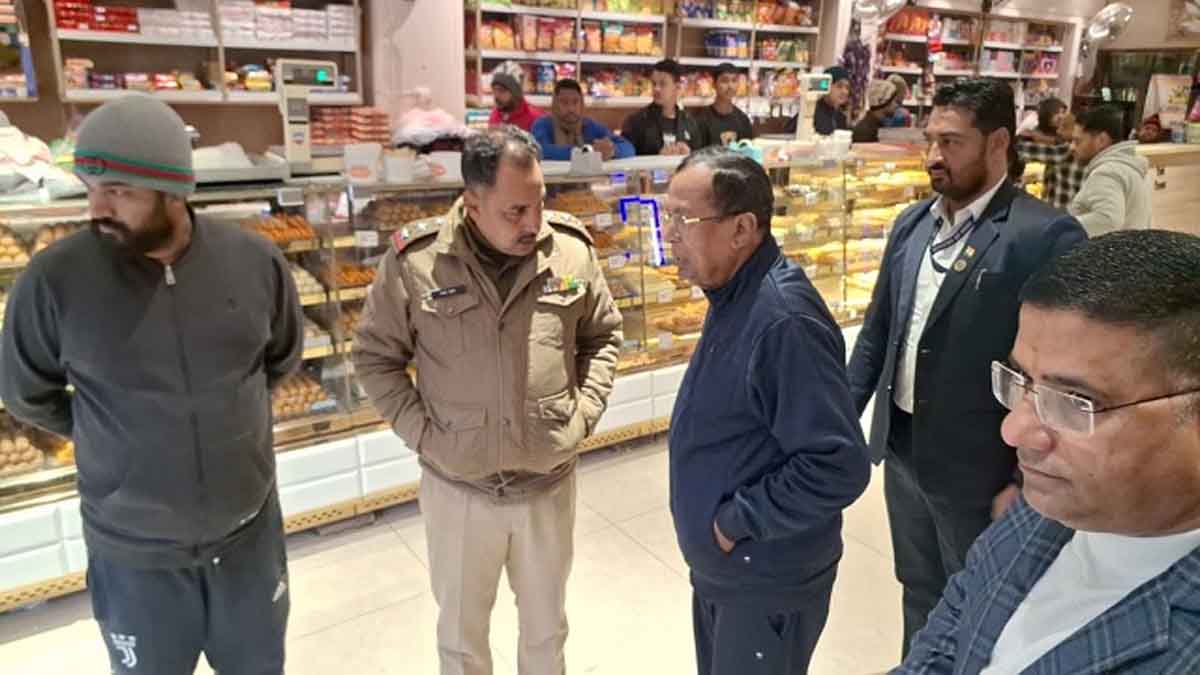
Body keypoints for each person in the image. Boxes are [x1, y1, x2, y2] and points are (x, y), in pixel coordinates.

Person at [0, 94, 303, 674]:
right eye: (91, 187)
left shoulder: (254, 261)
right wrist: (115, 438)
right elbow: (25, 393)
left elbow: (280, 357)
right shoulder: (54, 280)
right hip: (134, 559)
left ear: (174, 191)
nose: (98, 208)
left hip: (248, 541)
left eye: (119, 191)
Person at [353, 125, 622, 675]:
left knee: (546, 634)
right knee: (461, 640)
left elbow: (603, 336)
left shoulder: (571, 252)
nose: (533, 222)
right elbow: (375, 357)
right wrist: (425, 435)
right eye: (515, 211)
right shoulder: (417, 262)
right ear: (472, 204)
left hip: (547, 485)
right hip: (459, 491)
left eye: (539, 202)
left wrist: (582, 416)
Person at [846, 78, 1087, 658]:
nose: (934, 155)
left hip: (983, 469)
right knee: (917, 587)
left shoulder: (1043, 235)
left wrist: (1025, 480)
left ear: (998, 142)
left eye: (951, 142)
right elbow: (878, 334)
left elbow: (1064, 375)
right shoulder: (912, 225)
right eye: (931, 140)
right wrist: (836, 425)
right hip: (903, 453)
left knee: (981, 606)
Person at [896, 230, 1200, 674]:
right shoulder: (1048, 507)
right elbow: (949, 638)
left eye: (1074, 402)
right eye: (1019, 381)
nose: (1014, 431)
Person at [664, 147, 871, 675]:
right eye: (665, 217)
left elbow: (839, 465)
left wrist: (735, 521)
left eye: (683, 220)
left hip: (764, 582)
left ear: (742, 229)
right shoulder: (732, 294)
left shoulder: (783, 321)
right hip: (730, 574)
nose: (669, 235)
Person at [1068, 105, 1153, 235]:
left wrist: (1062, 226)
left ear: (1101, 140)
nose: (1072, 147)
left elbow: (1107, 221)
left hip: (1114, 248)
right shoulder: (1128, 167)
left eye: (1077, 141)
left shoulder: (1107, 172)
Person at [530, 78, 634, 161]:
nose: (571, 108)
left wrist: (612, 150)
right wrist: (587, 151)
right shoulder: (543, 125)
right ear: (555, 105)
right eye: (564, 102)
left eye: (575, 102)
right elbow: (540, 150)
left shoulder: (590, 126)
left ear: (582, 104)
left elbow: (628, 148)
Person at [1016, 99, 1087, 210]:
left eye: (1063, 112)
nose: (1062, 116)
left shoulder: (1064, 150)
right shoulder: (1033, 133)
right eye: (1058, 112)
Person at [621, 59, 701, 156]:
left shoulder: (689, 123)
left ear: (677, 87)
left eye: (663, 84)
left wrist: (689, 155)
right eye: (654, 84)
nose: (656, 89)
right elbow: (625, 160)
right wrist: (658, 159)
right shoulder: (636, 121)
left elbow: (699, 159)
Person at [694, 62, 755, 148]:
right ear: (714, 84)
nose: (730, 86)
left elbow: (748, 151)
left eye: (734, 81)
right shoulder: (702, 119)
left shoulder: (742, 120)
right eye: (724, 81)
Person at [785, 65, 852, 136]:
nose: (844, 91)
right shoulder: (810, 112)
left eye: (847, 87)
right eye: (839, 86)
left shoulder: (841, 118)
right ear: (826, 85)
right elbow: (787, 136)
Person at [852, 79, 902, 143]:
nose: (897, 105)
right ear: (884, 102)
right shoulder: (865, 132)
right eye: (894, 101)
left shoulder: (874, 125)